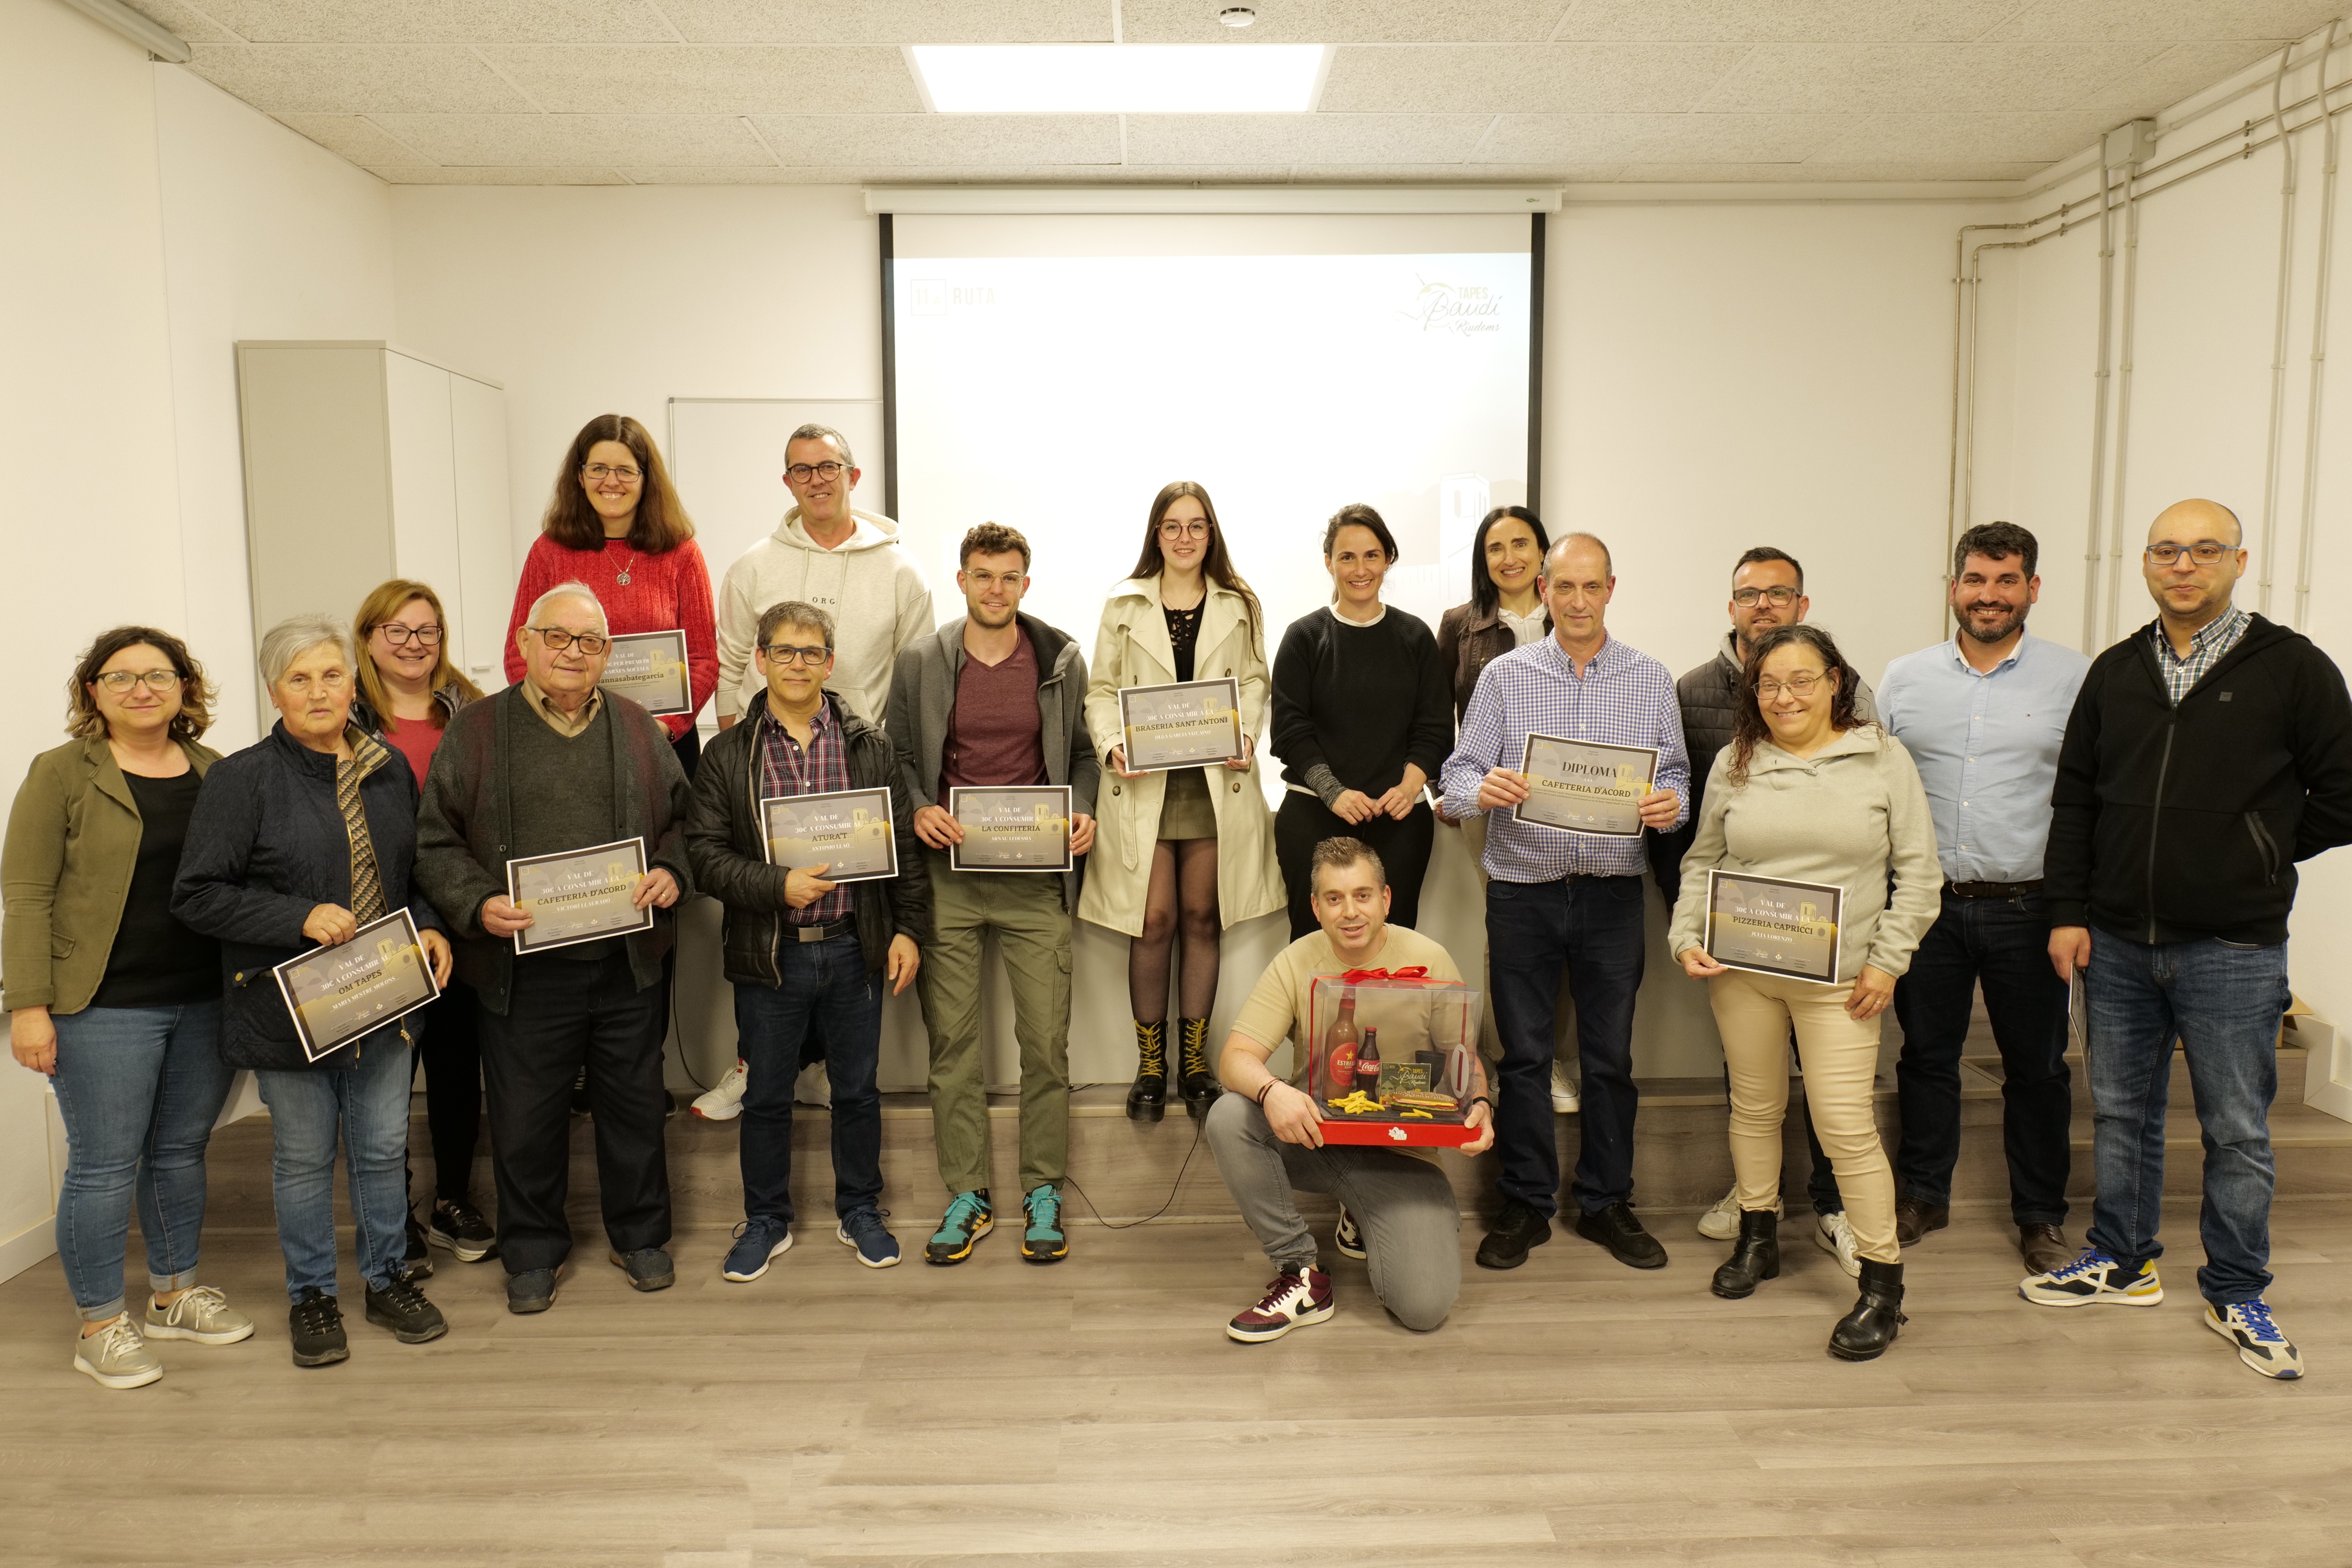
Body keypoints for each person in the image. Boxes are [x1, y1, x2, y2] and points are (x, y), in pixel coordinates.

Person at [2033, 498, 2352, 1381]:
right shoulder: (2118, 669)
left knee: (2237, 1126)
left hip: (2234, 947)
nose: (2184, 564)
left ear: (2239, 561)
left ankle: (2238, 1286)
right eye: (2167, 550)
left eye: (2204, 549)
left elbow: (2343, 790)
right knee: (2124, 1110)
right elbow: (2076, 799)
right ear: (2145, 563)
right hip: (2117, 940)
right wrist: (2068, 909)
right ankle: (2124, 1259)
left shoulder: (2293, 668)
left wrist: (2252, 846)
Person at [172, 616, 456, 1368]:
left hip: (387, 996)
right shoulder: (242, 779)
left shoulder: (389, 768)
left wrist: (430, 927)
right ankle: (312, 1295)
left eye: (331, 675)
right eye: (300, 678)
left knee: (381, 1147)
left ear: (353, 683)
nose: (319, 691)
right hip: (291, 1009)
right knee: (302, 1158)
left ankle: (388, 1278)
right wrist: (296, 915)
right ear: (276, 692)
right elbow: (198, 895)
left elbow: (413, 873)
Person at [414, 583, 693, 1315]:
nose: (574, 653)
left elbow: (686, 826)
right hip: (522, 971)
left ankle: (641, 1236)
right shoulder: (476, 731)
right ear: (529, 643)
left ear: (608, 654)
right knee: (525, 1118)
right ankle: (532, 1250)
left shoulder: (640, 730)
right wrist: (477, 903)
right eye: (559, 638)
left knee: (634, 1109)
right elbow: (434, 840)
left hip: (627, 965)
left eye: (590, 642)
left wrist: (670, 871)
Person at [1669, 623, 1940, 1361]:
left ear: (1834, 682)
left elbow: (1919, 876)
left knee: (1846, 1126)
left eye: (1801, 680)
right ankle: (1760, 1239)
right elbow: (1704, 861)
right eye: (1768, 684)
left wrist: (1887, 964)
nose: (1784, 696)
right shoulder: (1736, 760)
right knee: (1754, 1108)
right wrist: (1687, 935)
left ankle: (1883, 1286)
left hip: (1842, 985)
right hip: (1743, 976)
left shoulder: (1882, 757)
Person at [4, 627, 251, 1389]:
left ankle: (174, 1293)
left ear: (185, 686)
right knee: (106, 1166)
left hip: (203, 999)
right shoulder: (61, 773)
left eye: (159, 674)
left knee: (179, 1152)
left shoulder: (217, 771)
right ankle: (101, 1322)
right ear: (93, 693)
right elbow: (28, 892)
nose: (142, 688)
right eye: (121, 677)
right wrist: (28, 1005)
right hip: (102, 1005)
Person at [1439, 533, 1688, 1273]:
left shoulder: (1650, 679)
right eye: (1565, 588)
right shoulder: (1506, 679)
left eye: (1592, 588)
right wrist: (1480, 790)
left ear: (1612, 588)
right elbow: (1456, 776)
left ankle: (1608, 1203)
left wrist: (1668, 805)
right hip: (1522, 891)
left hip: (1613, 895)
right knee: (1524, 1059)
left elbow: (1676, 779)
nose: (1578, 602)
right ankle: (1526, 1203)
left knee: (1610, 1058)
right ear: (1544, 591)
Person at [685, 599, 930, 1277]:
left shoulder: (869, 745)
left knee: (857, 1090)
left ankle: (860, 1209)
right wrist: (775, 885)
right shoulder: (727, 754)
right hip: (771, 954)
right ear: (760, 659)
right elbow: (703, 855)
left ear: (830, 661)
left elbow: (903, 850)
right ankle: (766, 1220)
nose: (798, 664)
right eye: (784, 651)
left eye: (812, 652)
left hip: (856, 946)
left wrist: (908, 929)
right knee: (766, 1096)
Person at [701, 422, 935, 1123]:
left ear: (854, 477)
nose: (817, 479)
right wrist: (739, 756)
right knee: (772, 935)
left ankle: (833, 1072)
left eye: (829, 467)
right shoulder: (752, 566)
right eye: (801, 470)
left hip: (856, 774)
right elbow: (731, 663)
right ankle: (758, 1065)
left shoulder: (902, 571)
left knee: (843, 938)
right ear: (787, 483)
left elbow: (916, 677)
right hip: (771, 775)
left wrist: (886, 766)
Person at [1653, 547, 1877, 1272]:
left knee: (1837, 1103)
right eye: (1749, 594)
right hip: (1739, 947)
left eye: (1778, 593)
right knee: (1752, 1092)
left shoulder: (1870, 734)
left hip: (1834, 957)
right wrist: (1691, 929)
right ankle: (1760, 1214)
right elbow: (1695, 838)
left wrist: (1885, 952)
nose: (1763, 605)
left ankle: (1837, 1210)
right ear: (1731, 608)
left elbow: (1891, 848)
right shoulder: (1694, 698)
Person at [1878, 523, 2089, 1277]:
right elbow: (1876, 790)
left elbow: (2090, 801)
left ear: (2032, 588)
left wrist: (2076, 910)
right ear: (1954, 587)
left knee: (2037, 1069)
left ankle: (2039, 1216)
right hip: (1927, 908)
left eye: (2006, 582)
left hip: (2031, 910)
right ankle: (1924, 1196)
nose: (1988, 596)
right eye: (1975, 580)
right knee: (1926, 1058)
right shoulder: (1904, 679)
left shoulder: (2076, 678)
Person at [888, 523, 1099, 1267]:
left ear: (1026, 585)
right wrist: (917, 805)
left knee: (1045, 1044)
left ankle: (1045, 1191)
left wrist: (1086, 810)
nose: (996, 589)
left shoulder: (1061, 658)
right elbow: (901, 755)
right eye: (983, 576)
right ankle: (968, 1194)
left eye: (1010, 577)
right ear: (962, 580)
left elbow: (1081, 752)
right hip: (949, 880)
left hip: (1035, 878)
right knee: (954, 1048)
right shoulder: (921, 660)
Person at [1207, 836, 1494, 1341]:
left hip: (1405, 1156)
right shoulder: (1296, 960)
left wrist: (1481, 1104)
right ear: (1316, 907)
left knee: (1425, 1308)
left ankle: (1366, 1212)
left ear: (1386, 899)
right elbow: (1234, 1059)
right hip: (1318, 1137)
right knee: (1230, 1115)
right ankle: (1300, 1274)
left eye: (1363, 895)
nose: (1350, 911)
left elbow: (1463, 1057)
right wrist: (1273, 1091)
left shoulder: (1430, 957)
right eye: (1334, 898)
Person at [1081, 481, 1283, 1122]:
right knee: (1155, 922)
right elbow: (1100, 692)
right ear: (1156, 534)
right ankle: (1150, 1066)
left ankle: (1195, 1064)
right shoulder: (1123, 602)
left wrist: (1245, 730)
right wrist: (1113, 742)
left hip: (1212, 784)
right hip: (1144, 786)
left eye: (1197, 526)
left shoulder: (1238, 602)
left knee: (1201, 918)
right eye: (1173, 527)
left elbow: (1255, 679)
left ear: (1211, 534)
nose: (1186, 538)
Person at [351, 579, 495, 1275]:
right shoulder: (340, 714)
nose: (413, 645)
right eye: (397, 631)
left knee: (456, 1066)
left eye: (427, 631)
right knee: (385, 1073)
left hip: (461, 917)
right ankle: (393, 1213)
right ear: (370, 638)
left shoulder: (472, 711)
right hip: (375, 923)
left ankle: (455, 1200)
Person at [1269, 505, 1452, 940]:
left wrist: (1411, 787)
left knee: (1393, 944)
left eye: (1372, 555)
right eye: (1347, 557)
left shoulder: (1415, 637)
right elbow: (1289, 730)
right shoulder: (1304, 637)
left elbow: (1436, 726)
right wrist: (1334, 793)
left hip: (1400, 819)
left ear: (1389, 559)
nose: (1359, 569)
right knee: (1316, 945)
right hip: (1314, 814)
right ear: (1329, 562)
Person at [1435, 506, 1566, 1107]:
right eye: (1495, 548)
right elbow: (1440, 716)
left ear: (1544, 552)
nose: (1509, 557)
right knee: (1509, 932)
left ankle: (1556, 1062)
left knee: (1566, 927)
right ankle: (1512, 1061)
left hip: (1568, 803)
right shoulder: (1460, 625)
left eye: (1522, 544)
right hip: (1491, 805)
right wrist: (1449, 790)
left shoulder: (1570, 613)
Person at [505, 414, 716, 779]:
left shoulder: (682, 553)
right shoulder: (549, 552)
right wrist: (565, 723)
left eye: (626, 470)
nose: (611, 482)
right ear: (580, 476)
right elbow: (518, 654)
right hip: (567, 740)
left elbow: (703, 660)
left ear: (646, 478)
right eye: (599, 469)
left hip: (662, 743)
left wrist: (663, 728)